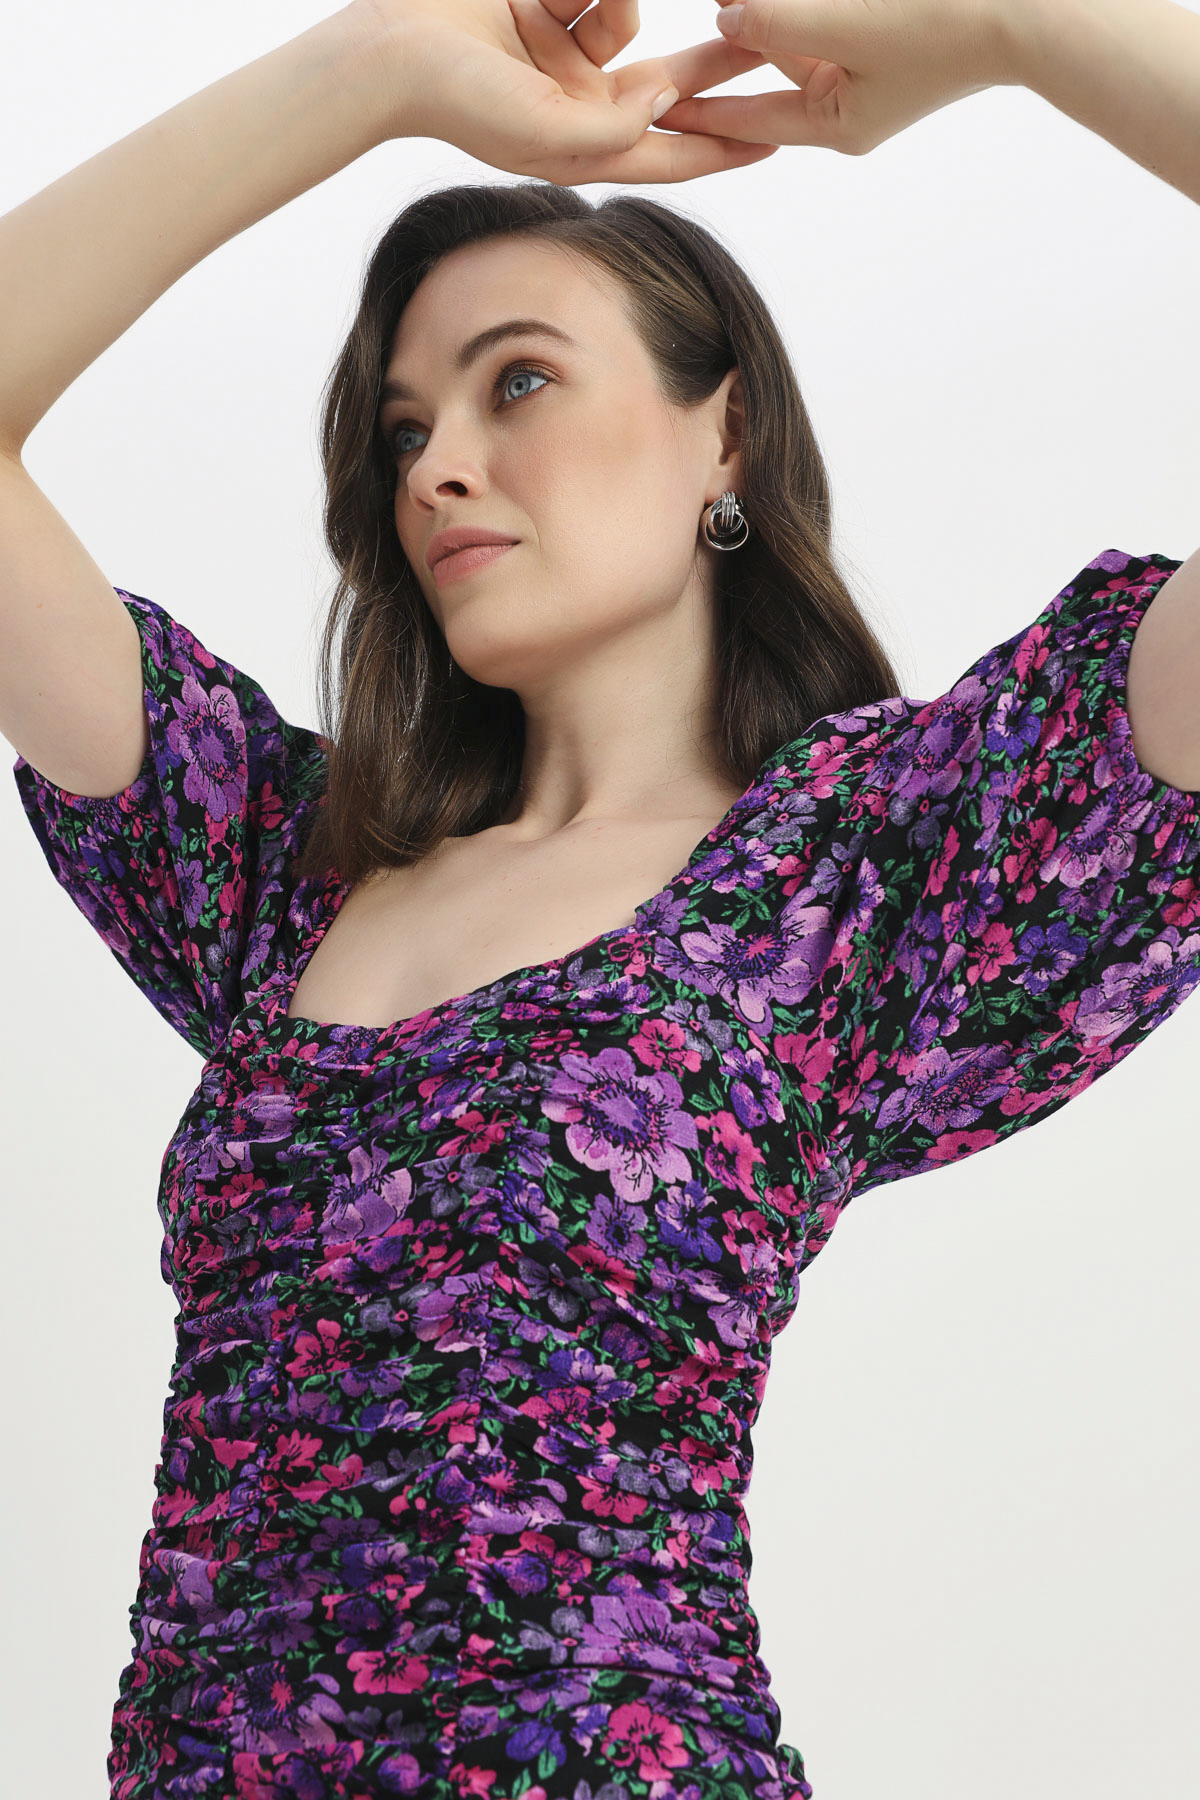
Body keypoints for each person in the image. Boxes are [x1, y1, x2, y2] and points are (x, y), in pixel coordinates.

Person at [2, 2, 1199, 1796]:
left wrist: (1020, 24)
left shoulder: (864, 873)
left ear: (726, 437)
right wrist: (375, 73)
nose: (437, 466)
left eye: (520, 382)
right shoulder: (277, 865)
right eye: (404, 427)